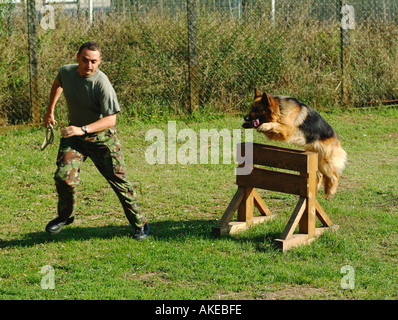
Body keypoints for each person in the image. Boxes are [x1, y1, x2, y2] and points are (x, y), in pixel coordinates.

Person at [43, 41, 149, 240]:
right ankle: (65, 216)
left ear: (100, 62)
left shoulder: (102, 83)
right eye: (85, 60)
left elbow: (111, 119)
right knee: (63, 177)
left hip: (101, 140)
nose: (89, 65)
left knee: (120, 182)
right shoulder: (66, 72)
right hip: (75, 138)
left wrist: (83, 129)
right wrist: (50, 110)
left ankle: (141, 225)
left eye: (93, 61)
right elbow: (58, 83)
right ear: (77, 58)